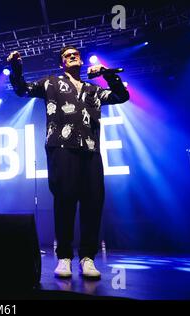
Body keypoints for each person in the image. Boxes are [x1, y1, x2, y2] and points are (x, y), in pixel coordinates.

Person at [7, 46, 129, 278]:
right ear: (62, 63)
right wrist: (16, 68)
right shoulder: (51, 83)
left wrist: (107, 74)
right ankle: (64, 257)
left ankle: (87, 258)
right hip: (61, 149)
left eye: (75, 54)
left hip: (91, 151)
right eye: (67, 55)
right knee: (65, 202)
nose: (73, 56)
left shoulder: (93, 89)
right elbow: (22, 90)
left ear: (81, 62)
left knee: (93, 203)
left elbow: (122, 96)